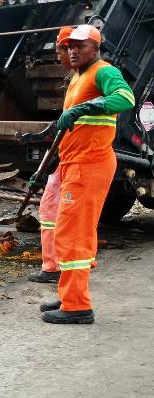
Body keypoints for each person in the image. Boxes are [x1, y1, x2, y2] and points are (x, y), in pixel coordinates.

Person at [40, 25, 135, 324]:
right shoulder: (79, 76)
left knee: (73, 233)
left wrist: (87, 106)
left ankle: (77, 306)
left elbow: (125, 98)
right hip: (75, 164)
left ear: (96, 47)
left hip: (89, 165)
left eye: (80, 45)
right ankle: (70, 294)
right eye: (69, 45)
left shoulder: (103, 72)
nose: (72, 50)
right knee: (71, 230)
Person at [21, 26, 73, 284]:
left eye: (60, 50)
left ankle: (67, 273)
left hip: (80, 162)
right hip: (65, 159)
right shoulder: (75, 80)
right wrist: (45, 171)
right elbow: (64, 133)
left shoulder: (97, 76)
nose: (59, 56)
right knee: (50, 210)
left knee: (68, 217)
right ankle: (51, 267)